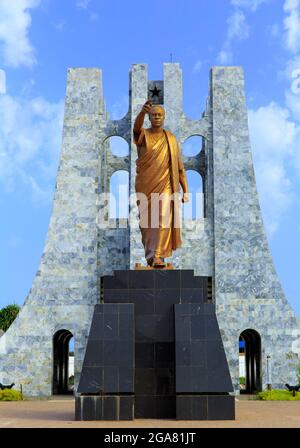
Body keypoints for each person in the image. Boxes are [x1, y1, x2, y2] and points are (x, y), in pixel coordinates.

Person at [133, 101, 189, 267]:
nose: (157, 118)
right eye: (153, 115)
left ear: (164, 117)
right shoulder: (144, 135)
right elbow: (135, 130)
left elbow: (179, 168)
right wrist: (141, 113)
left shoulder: (170, 139)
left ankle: (158, 256)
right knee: (148, 221)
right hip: (146, 185)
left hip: (165, 185)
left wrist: (185, 190)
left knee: (163, 217)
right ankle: (151, 256)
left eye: (159, 115)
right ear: (149, 118)